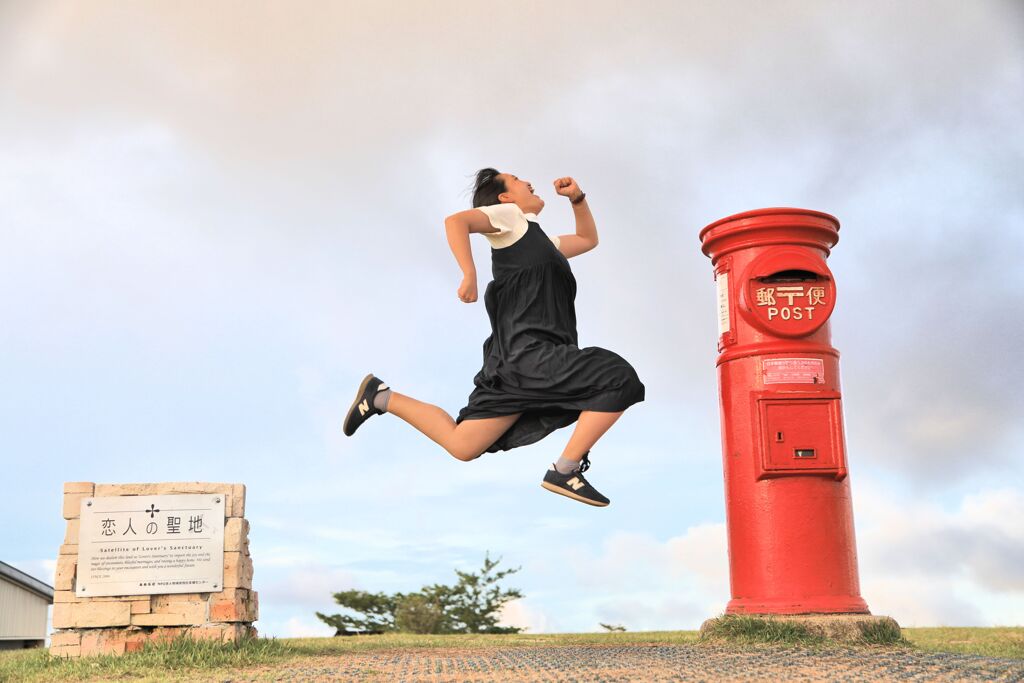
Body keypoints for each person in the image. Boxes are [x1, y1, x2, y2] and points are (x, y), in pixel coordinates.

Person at [343, 169, 645, 507]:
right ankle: (565, 469)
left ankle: (381, 397)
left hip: (519, 364)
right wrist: (469, 274)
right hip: (531, 354)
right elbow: (456, 221)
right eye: (516, 180)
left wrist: (577, 199)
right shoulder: (511, 218)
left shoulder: (543, 241)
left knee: (463, 445)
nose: (528, 181)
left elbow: (587, 240)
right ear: (505, 198)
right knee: (618, 377)